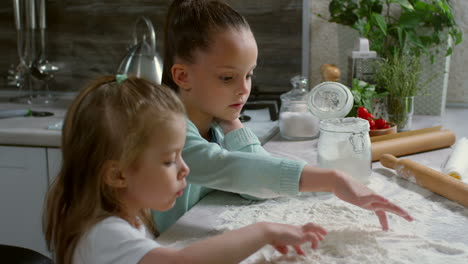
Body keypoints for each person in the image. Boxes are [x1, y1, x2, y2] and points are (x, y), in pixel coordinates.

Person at [157, 0, 413, 232]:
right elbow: (231, 169)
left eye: (249, 74)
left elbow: (255, 189)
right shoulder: (168, 133)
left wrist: (232, 123)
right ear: (182, 76)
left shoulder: (214, 125)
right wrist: (332, 179)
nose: (244, 89)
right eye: (227, 77)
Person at [43, 75, 328, 264]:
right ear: (117, 175)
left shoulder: (125, 219)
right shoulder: (105, 234)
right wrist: (264, 232)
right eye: (169, 160)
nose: (185, 169)